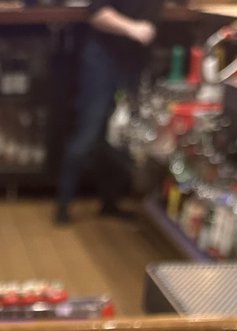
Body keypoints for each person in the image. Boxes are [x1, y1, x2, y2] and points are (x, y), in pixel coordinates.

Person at [54, 0, 163, 225]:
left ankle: (110, 202)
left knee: (120, 137)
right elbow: (96, 12)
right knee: (89, 132)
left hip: (134, 62)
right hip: (102, 59)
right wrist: (132, 28)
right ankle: (63, 203)